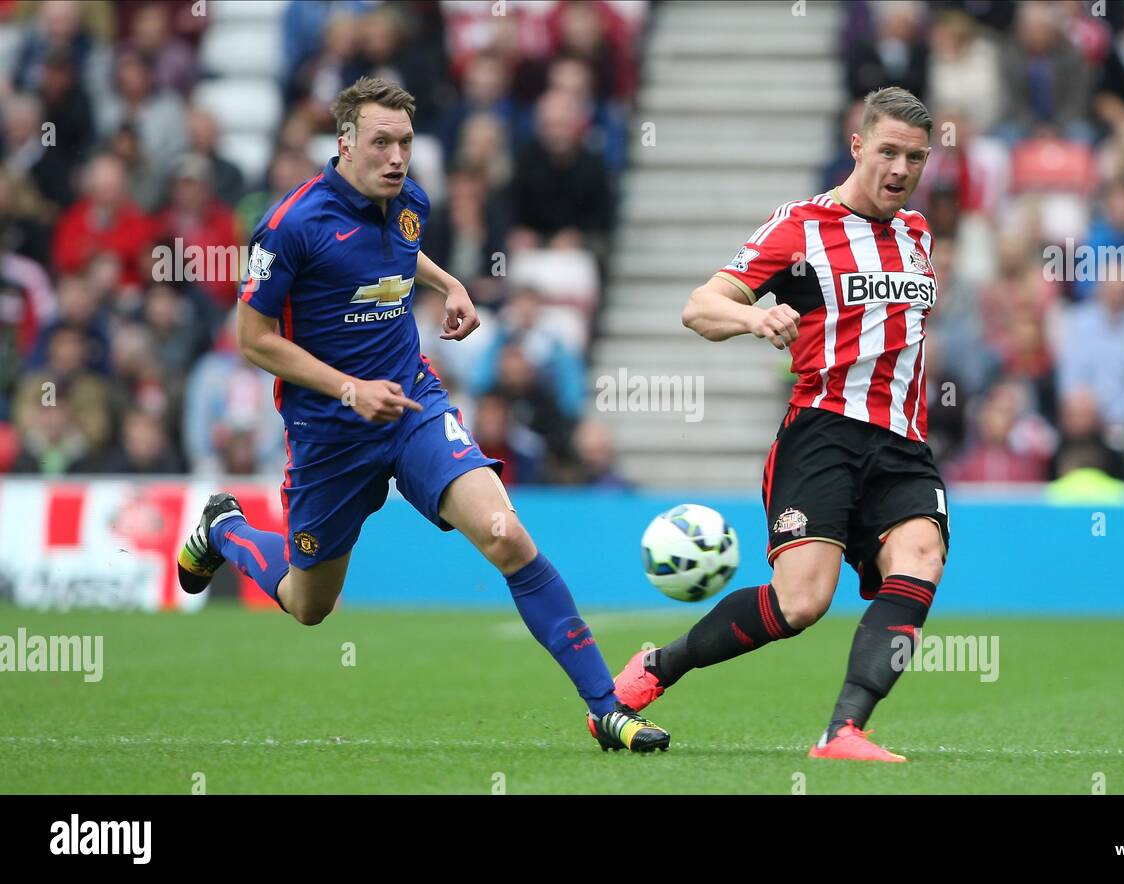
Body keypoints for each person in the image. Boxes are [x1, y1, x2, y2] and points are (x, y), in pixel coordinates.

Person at [175, 77, 667, 754]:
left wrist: (449, 283)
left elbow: (400, 252)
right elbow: (253, 339)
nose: (397, 156)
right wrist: (349, 389)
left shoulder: (410, 200)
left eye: (405, 141)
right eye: (381, 142)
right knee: (308, 604)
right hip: (330, 436)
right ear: (344, 144)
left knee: (505, 536)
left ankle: (607, 709)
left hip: (412, 405)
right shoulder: (291, 225)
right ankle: (225, 528)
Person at [614, 86, 949, 763]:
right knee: (802, 604)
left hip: (904, 444)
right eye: (887, 152)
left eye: (914, 158)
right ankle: (658, 666)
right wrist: (754, 317)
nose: (900, 169)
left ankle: (844, 731)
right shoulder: (799, 228)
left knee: (921, 557)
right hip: (822, 433)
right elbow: (699, 307)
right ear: (857, 146)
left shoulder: (918, 233)